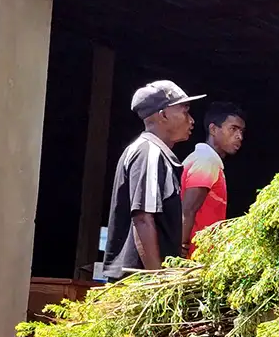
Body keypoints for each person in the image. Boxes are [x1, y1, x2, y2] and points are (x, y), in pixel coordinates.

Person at [101, 79, 205, 282]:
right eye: (184, 111)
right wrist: (157, 280)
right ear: (163, 114)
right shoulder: (149, 153)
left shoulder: (154, 153)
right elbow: (142, 218)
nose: (191, 120)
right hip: (137, 283)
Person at [181, 101, 246, 258]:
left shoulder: (209, 159)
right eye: (233, 129)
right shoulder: (207, 159)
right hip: (190, 261)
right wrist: (180, 252)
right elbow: (187, 211)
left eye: (242, 131)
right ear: (213, 129)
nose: (239, 136)